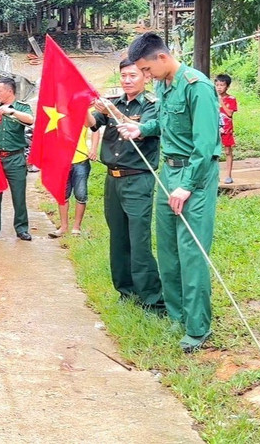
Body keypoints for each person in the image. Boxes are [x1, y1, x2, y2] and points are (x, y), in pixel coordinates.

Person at [118, 33, 220, 353]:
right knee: (168, 250)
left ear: (162, 58)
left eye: (147, 70)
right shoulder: (164, 85)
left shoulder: (196, 86)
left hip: (195, 176)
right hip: (168, 171)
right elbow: (164, 122)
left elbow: (206, 147)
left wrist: (186, 186)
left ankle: (197, 327)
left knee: (191, 253)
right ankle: (177, 314)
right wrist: (141, 129)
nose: (146, 78)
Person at [87, 59, 164, 312]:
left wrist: (113, 114)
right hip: (113, 180)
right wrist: (80, 106)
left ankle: (151, 298)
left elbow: (144, 129)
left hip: (138, 178)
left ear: (145, 77)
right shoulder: (114, 103)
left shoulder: (152, 105)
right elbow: (93, 123)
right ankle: (126, 290)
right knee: (118, 238)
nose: (127, 80)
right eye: (123, 76)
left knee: (138, 239)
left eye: (132, 75)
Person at [0, 77, 35, 241]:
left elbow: (30, 120)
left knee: (18, 196)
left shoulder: (22, 107)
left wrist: (11, 111)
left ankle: (21, 229)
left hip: (15, 158)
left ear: (9, 91)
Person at [48, 123, 93, 237]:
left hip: (81, 160)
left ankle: (76, 227)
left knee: (81, 194)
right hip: (62, 160)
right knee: (63, 195)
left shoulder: (83, 112)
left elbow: (95, 129)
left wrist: (93, 149)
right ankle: (63, 227)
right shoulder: (56, 114)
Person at [214, 74, 238, 183]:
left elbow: (229, 114)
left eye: (222, 85)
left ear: (227, 87)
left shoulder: (231, 99)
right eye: (217, 85)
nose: (219, 87)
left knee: (228, 151)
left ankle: (228, 175)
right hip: (213, 128)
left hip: (226, 129)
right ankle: (214, 175)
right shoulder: (211, 97)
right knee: (213, 152)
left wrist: (221, 102)